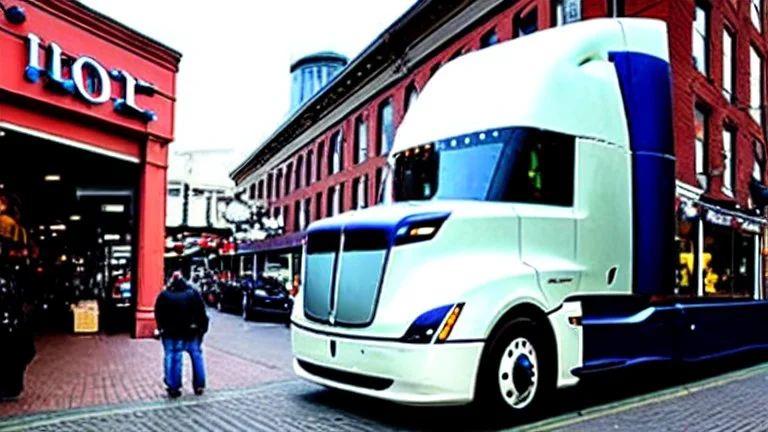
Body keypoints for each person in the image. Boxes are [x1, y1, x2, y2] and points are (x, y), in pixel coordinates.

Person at [154, 274, 209, 398]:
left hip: (170, 332)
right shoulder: (192, 293)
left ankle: (173, 386)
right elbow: (201, 312)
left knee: (172, 356)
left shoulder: (164, 295)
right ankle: (199, 385)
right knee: (196, 356)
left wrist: (161, 327)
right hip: (191, 331)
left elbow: (158, 313)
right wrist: (202, 329)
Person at [0, 270, 35, 401]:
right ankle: (9, 388)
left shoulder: (10, 281)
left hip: (12, 328)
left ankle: (10, 388)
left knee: (15, 357)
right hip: (10, 328)